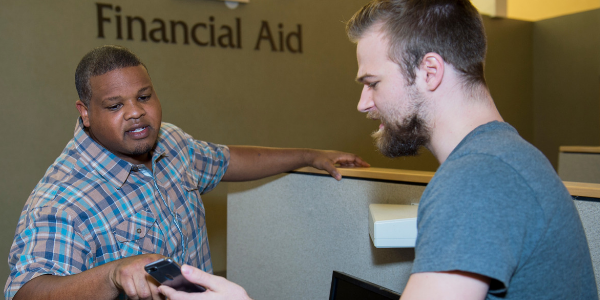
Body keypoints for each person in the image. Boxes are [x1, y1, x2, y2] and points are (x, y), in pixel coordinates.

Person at [4, 45, 369, 300]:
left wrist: (309, 155)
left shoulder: (169, 142)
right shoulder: (60, 199)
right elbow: (27, 293)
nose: (135, 112)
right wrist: (113, 274)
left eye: (144, 97)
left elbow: (228, 161)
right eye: (115, 105)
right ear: (85, 112)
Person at [346, 0, 597, 299]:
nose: (363, 103)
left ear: (429, 72)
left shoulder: (476, 179)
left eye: (373, 83)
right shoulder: (504, 158)